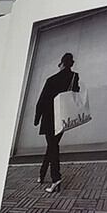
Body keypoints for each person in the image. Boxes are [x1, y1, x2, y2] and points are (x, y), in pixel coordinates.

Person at [34, 51, 80, 192]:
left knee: (53, 146)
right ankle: (42, 174)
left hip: (49, 118)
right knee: (52, 146)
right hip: (62, 118)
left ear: (62, 64)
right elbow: (75, 92)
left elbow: (42, 100)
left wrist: (37, 118)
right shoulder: (74, 76)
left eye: (59, 64)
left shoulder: (51, 80)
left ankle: (56, 178)